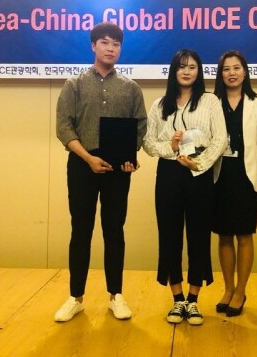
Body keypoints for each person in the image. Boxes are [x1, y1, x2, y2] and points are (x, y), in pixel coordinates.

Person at [54, 22, 147, 322]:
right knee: (80, 230)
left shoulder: (131, 88)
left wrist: (130, 157)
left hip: (118, 169)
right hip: (82, 165)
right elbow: (64, 127)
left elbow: (140, 127)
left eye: (116, 44)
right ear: (93, 45)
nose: (110, 48)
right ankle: (76, 297)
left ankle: (115, 296)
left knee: (114, 230)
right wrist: (88, 158)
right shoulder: (74, 84)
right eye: (105, 42)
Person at [143, 49, 227, 326]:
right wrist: (172, 147)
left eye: (192, 67)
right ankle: (177, 298)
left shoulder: (210, 101)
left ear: (199, 71)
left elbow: (220, 139)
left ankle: (193, 299)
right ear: (174, 71)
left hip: (198, 173)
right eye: (181, 67)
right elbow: (148, 142)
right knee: (169, 234)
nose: (187, 71)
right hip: (169, 173)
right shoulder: (160, 104)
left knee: (199, 235)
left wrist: (198, 163)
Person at [212, 50, 257, 317]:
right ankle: (228, 288)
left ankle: (241, 291)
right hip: (219, 175)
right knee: (224, 234)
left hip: (246, 175)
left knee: (244, 234)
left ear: (245, 72)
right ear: (220, 74)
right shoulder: (211, 101)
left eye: (236, 68)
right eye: (226, 69)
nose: (232, 73)